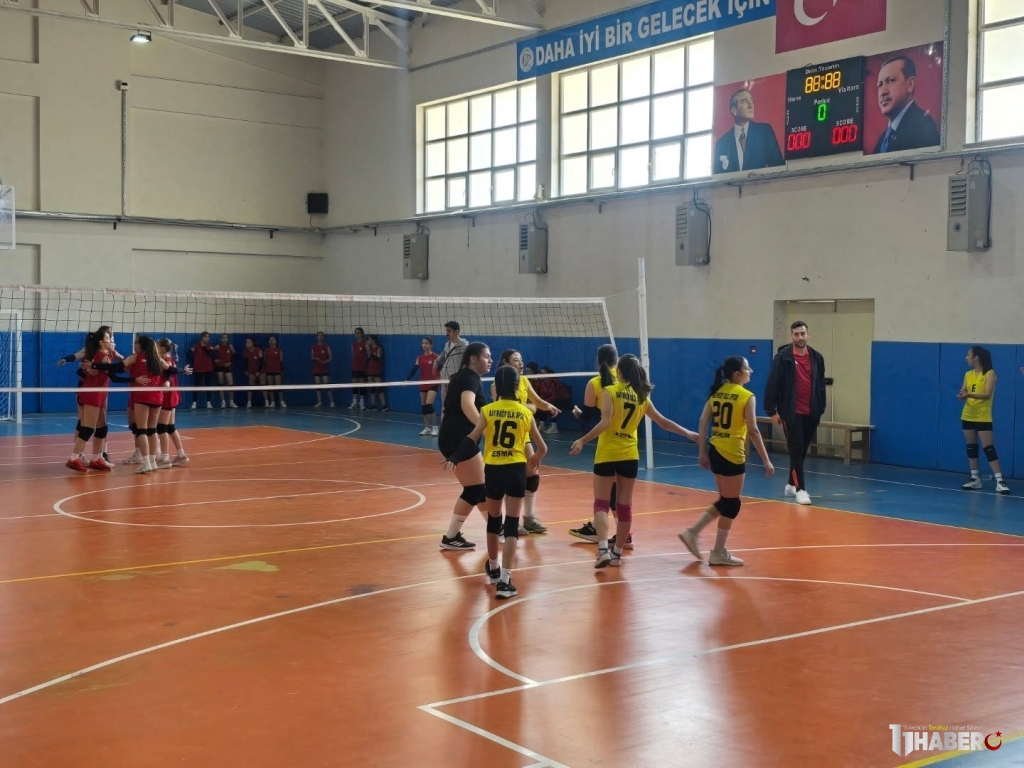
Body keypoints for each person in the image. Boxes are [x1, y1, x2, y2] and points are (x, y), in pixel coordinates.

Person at [569, 354, 697, 569]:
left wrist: (582, 440)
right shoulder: (641, 397)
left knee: (601, 503)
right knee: (624, 505)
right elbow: (663, 422)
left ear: (619, 372)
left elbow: (605, 423)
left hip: (608, 452)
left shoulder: (610, 391)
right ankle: (617, 553)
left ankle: (603, 550)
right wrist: (688, 433)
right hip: (629, 455)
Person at [445, 366, 548, 599]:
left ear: (496, 388)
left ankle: (493, 567)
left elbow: (471, 439)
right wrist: (535, 459)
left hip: (493, 470)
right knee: (511, 524)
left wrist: (455, 457)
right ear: (516, 387)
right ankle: (505, 579)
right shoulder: (525, 412)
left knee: (494, 521)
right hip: (516, 471)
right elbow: (543, 447)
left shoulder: (488, 411)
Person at [679, 356, 774, 566]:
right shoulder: (746, 396)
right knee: (732, 504)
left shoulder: (717, 392)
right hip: (732, 453)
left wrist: (702, 451)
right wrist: (766, 460)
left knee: (725, 501)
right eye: (747, 368)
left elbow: (702, 421)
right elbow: (753, 430)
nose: (751, 371)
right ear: (737, 374)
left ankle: (692, 532)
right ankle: (718, 552)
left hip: (715, 450)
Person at [488, 349, 561, 535]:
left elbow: (537, 401)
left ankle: (529, 518)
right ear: (505, 363)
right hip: (506, 438)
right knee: (510, 478)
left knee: (532, 475)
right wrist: (530, 407)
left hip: (523, 434)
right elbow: (505, 407)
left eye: (521, 360)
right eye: (516, 360)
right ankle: (509, 521)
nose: (521, 363)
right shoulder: (497, 384)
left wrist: (548, 406)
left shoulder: (524, 381)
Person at [569, 344, 627, 547]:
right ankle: (600, 528)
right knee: (618, 492)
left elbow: (589, 416)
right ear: (617, 360)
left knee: (605, 495)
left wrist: (577, 414)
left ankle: (616, 536)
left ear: (598, 360)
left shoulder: (595, 383)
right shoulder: (626, 381)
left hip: (608, 444)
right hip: (629, 444)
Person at [437, 342, 493, 551]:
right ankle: (450, 537)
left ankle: (495, 527)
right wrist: (485, 432)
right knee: (475, 488)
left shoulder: (463, 377)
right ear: (473, 359)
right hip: (460, 438)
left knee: (479, 486)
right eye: (486, 356)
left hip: (454, 437)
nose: (490, 360)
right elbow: (467, 405)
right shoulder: (469, 378)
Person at [763, 321, 826, 506]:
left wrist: (821, 408)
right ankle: (801, 490)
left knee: (802, 449)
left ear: (808, 335)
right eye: (796, 334)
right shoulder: (782, 358)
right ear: (792, 336)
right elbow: (772, 384)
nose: (800, 337)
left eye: (803, 334)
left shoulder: (817, 358)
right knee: (796, 449)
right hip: (791, 413)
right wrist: (771, 411)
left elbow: (820, 385)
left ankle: (791, 484)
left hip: (812, 412)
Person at [959, 346, 1010, 494]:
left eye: (968, 355)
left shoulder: (990, 373)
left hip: (982, 415)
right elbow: (964, 390)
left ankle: (1000, 480)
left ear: (976, 358)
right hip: (968, 414)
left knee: (988, 447)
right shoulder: (968, 374)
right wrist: (962, 394)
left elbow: (987, 394)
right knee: (971, 446)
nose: (966, 357)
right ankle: (975, 478)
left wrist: (969, 395)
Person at [873, 55, 940, 154]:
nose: (883, 92)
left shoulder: (923, 127)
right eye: (880, 85)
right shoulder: (882, 140)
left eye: (890, 81)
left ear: (910, 84)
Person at [714, 88, 784, 174]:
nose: (751, 105)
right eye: (745, 102)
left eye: (752, 101)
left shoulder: (764, 132)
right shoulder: (722, 143)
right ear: (734, 111)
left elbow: (779, 168)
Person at [155, 338, 190, 468]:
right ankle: (181, 455)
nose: (155, 348)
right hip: (172, 395)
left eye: (157, 346)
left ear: (162, 348)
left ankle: (165, 459)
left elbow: (170, 371)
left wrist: (168, 380)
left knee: (162, 427)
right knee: (170, 427)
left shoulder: (166, 360)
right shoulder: (168, 359)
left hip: (168, 395)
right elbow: (171, 372)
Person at [407, 336, 440, 436]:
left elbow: (441, 369)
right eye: (423, 343)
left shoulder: (436, 357)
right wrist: (407, 380)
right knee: (424, 407)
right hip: (423, 383)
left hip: (433, 383)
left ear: (431, 345)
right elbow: (414, 369)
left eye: (426, 343)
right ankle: (427, 428)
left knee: (429, 405)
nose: (424, 345)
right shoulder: (420, 358)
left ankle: (435, 427)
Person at [434, 320, 467, 404]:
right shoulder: (447, 344)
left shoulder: (464, 346)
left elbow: (469, 364)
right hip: (444, 379)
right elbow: (442, 357)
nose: (447, 333)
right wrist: (436, 363)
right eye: (446, 331)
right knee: (444, 405)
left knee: (454, 405)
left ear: (457, 332)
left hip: (455, 381)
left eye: (449, 331)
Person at [189, 332, 216, 409]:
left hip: (208, 368)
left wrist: (204, 347)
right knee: (197, 385)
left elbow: (211, 355)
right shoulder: (196, 346)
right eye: (206, 337)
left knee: (208, 385)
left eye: (208, 337)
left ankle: (209, 403)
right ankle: (194, 403)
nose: (207, 338)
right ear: (202, 337)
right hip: (199, 368)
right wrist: (195, 358)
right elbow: (189, 354)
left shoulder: (210, 346)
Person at [311, 332, 335, 409]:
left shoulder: (326, 346)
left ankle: (332, 401)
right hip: (317, 368)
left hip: (325, 367)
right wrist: (316, 358)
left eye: (321, 336)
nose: (320, 337)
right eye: (318, 335)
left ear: (324, 337)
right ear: (316, 337)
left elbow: (331, 357)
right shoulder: (314, 347)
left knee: (326, 384)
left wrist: (324, 362)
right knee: (318, 385)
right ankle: (319, 402)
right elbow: (312, 357)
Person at [365, 335, 388, 411]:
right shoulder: (370, 349)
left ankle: (384, 405)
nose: (368, 341)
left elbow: (378, 359)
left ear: (373, 340)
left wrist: (371, 353)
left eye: (369, 339)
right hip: (369, 370)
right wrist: (368, 351)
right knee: (372, 388)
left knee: (379, 388)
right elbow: (368, 359)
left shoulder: (378, 348)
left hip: (377, 370)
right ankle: (373, 405)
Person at [214, 333, 237, 409]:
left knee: (231, 384)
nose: (224, 339)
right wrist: (215, 360)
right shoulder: (217, 347)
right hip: (219, 367)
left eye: (226, 337)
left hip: (227, 367)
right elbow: (211, 354)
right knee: (221, 384)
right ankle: (223, 402)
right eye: (223, 337)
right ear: (221, 339)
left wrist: (230, 362)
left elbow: (234, 356)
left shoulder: (230, 346)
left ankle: (231, 402)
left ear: (228, 339)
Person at [263, 335, 286, 408]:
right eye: (270, 339)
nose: (271, 341)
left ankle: (281, 401)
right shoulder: (266, 350)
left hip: (277, 370)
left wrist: (281, 370)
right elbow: (265, 361)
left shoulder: (279, 350)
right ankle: (272, 402)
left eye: (273, 339)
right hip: (269, 370)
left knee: (279, 386)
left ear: (276, 341)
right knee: (270, 386)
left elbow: (281, 361)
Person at [349, 327, 368, 410]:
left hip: (363, 366)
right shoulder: (353, 344)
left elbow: (368, 354)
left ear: (362, 334)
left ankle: (362, 403)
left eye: (358, 332)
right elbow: (354, 355)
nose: (357, 334)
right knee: (355, 384)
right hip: (355, 366)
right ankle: (354, 402)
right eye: (356, 333)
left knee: (362, 385)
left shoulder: (365, 342)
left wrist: (366, 364)